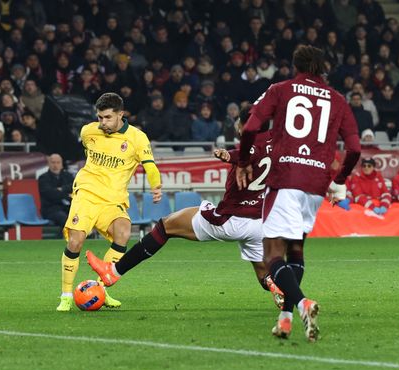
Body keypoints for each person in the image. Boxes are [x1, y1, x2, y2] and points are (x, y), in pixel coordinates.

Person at [86, 106, 285, 316]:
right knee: (265, 274)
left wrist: (228, 155)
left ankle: (113, 272)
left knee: (165, 226)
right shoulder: (278, 142)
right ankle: (285, 291)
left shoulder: (248, 146)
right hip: (259, 223)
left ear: (247, 125)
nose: (236, 127)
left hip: (231, 220)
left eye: (239, 123)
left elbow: (244, 153)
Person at [235, 46, 361, 342]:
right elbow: (354, 149)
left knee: (271, 254)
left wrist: (242, 161)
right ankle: (286, 319)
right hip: (316, 184)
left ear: (296, 65)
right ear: (323, 68)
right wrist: (338, 180)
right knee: (296, 251)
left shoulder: (280, 89)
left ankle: (304, 305)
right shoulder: (338, 99)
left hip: (285, 179)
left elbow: (251, 126)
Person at [56, 93, 162, 312]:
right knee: (75, 241)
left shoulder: (137, 138)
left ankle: (100, 290)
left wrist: (156, 185)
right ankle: (66, 295)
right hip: (86, 193)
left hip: (113, 199)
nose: (102, 122)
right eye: (99, 117)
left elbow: (150, 165)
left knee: (123, 232)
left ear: (120, 115)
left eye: (107, 117)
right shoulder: (88, 131)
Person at [38, 154, 74, 228]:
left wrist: (62, 189)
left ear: (61, 164)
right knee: (63, 217)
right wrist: (67, 195)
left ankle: (88, 235)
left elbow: (74, 187)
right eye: (53, 162)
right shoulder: (43, 178)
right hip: (51, 209)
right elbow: (50, 194)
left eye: (58, 163)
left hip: (67, 207)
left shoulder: (68, 176)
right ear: (49, 164)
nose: (55, 165)